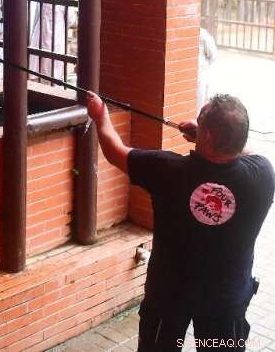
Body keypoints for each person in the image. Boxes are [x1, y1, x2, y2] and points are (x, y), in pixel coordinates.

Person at [86, 92, 274, 351]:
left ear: (206, 136)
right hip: (225, 302)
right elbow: (240, 151)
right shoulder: (263, 175)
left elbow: (115, 151)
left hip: (168, 297)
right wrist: (209, 137)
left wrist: (101, 116)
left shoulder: (167, 170)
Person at [29, 0, 77, 80]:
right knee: (39, 64)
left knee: (54, 65)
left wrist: (59, 29)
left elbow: (70, 20)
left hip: (56, 37)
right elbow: (36, 17)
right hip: (41, 35)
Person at [198, 28, 218, 111]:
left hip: (200, 75)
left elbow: (213, 55)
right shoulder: (202, 34)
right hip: (199, 74)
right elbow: (213, 56)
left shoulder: (203, 34)